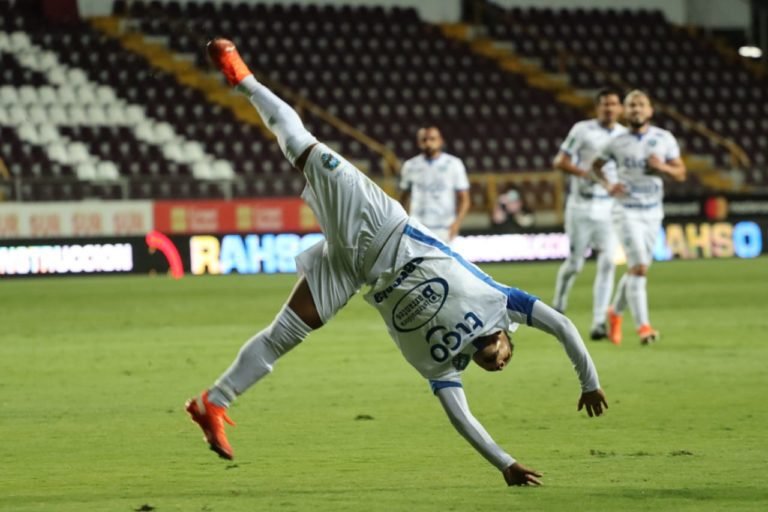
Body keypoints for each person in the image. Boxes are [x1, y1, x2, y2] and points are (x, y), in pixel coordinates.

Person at [186, 38, 608, 487]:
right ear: (508, 339)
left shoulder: (443, 365)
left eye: (494, 368)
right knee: (301, 145)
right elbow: (563, 326)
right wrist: (589, 382)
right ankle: (244, 79)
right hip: (382, 223)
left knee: (284, 337)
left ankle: (213, 402)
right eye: (506, 357)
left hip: (355, 271)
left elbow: (461, 418)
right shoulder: (504, 303)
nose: (500, 365)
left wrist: (504, 463)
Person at [592, 90, 686, 345]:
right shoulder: (616, 141)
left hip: (653, 211)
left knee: (638, 268)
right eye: (631, 105)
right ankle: (643, 327)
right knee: (640, 268)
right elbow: (596, 165)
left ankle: (614, 312)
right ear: (626, 111)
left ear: (650, 111)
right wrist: (609, 185)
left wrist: (663, 167)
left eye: (641, 105)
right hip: (626, 210)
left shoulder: (663, 139)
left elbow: (680, 173)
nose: (636, 109)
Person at [552, 88, 627, 341]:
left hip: (608, 206)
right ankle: (559, 302)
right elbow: (559, 161)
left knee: (608, 263)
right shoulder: (582, 130)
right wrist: (586, 174)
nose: (609, 108)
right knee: (575, 263)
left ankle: (598, 323)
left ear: (620, 109)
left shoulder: (624, 136)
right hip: (581, 205)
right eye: (605, 104)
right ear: (597, 108)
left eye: (614, 104)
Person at [398, 127, 470, 243]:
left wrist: (457, 223)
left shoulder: (454, 164)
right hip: (417, 227)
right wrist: (403, 222)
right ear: (419, 142)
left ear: (441, 141)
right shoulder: (410, 166)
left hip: (445, 228)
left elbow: (464, 199)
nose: (428, 143)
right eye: (424, 139)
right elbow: (403, 199)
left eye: (432, 139)